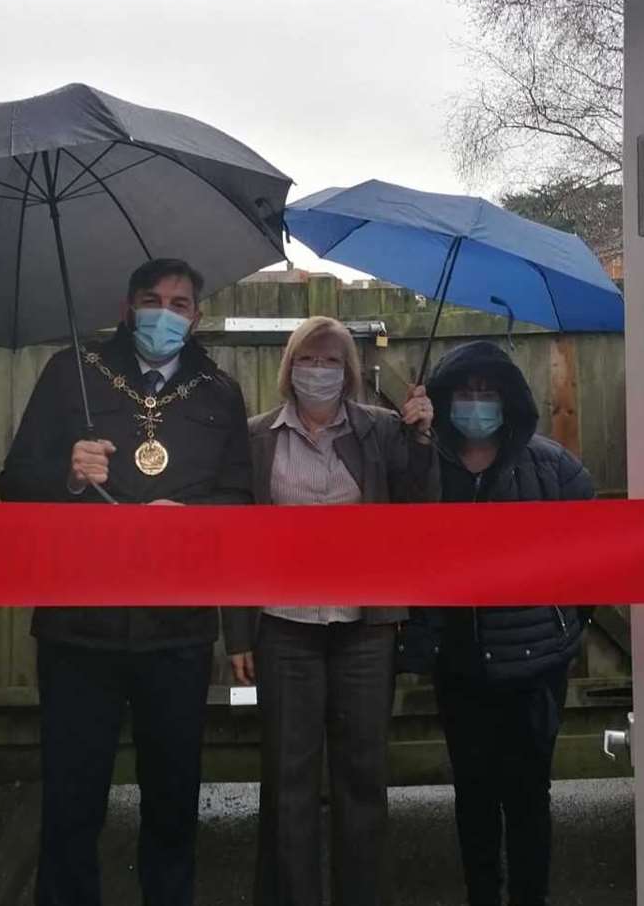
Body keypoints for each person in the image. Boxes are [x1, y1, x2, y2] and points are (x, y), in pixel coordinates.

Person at [0, 257, 253, 906]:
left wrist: (191, 519)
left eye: (178, 303)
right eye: (151, 300)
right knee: (71, 802)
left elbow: (242, 504)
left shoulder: (220, 394)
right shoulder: (72, 376)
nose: (163, 314)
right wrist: (67, 472)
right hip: (79, 629)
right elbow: (13, 485)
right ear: (126, 306)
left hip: (177, 632)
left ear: (195, 316)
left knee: (173, 805)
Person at [223, 315, 439, 906]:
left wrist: (421, 436)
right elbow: (235, 540)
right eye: (308, 359)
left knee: (363, 776)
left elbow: (420, 508)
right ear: (290, 367)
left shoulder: (382, 430)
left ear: (348, 373)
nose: (319, 371)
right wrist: (237, 634)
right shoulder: (256, 436)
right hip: (282, 628)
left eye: (331, 361)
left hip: (364, 629)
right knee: (287, 780)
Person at [423, 340, 595, 906]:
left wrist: (560, 630)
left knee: (527, 798)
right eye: (464, 393)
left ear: (509, 400)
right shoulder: (424, 465)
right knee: (472, 796)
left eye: (487, 392)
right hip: (459, 664)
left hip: (534, 666)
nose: (475, 403)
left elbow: (592, 565)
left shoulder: (555, 468)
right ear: (445, 400)